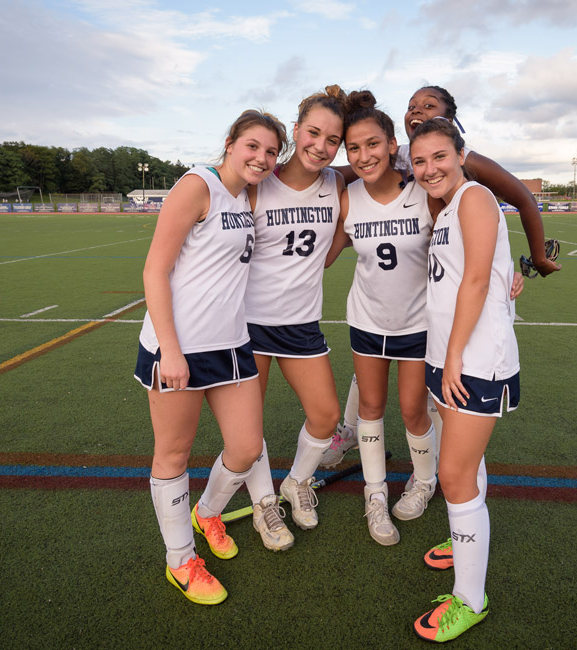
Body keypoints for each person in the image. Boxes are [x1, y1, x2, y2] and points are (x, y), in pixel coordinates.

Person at [322, 84, 554, 468]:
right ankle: (359, 435)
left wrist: (525, 263)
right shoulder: (399, 162)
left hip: (427, 317)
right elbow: (351, 177)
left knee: (428, 404)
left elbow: (507, 208)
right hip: (381, 314)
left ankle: (439, 474)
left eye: (430, 106)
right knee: (372, 386)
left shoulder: (456, 167)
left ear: (451, 123)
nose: (419, 111)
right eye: (412, 106)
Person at [135, 110, 290, 606]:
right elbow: (154, 271)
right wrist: (171, 351)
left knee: (246, 449)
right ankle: (180, 560)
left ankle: (208, 513)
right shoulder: (196, 185)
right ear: (229, 143)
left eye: (270, 152)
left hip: (231, 345)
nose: (261, 158)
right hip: (178, 348)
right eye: (252, 146)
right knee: (173, 454)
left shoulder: (248, 194)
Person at [409, 117, 521, 642]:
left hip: (474, 360)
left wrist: (453, 358)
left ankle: (470, 599)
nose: (430, 168)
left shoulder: (475, 196)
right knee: (464, 468)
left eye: (440, 156)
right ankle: (464, 535)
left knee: (454, 475)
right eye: (421, 160)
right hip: (449, 355)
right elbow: (480, 273)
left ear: (460, 154)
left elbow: (476, 280)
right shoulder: (450, 205)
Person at [324, 90, 440, 545]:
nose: (364, 155)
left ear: (394, 144)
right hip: (368, 321)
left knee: (413, 410)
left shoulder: (423, 191)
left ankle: (424, 481)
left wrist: (507, 273)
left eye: (373, 144)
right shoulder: (348, 197)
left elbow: (463, 243)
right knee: (369, 409)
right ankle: (375, 496)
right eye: (354, 148)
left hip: (417, 323)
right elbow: (323, 256)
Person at [241, 86, 348, 531]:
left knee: (326, 417)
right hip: (247, 324)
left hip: (301, 323)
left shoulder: (338, 184)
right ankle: (266, 503)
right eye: (313, 133)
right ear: (298, 128)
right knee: (247, 426)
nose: (320, 147)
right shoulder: (257, 184)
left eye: (332, 140)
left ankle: (296, 481)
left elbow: (330, 250)